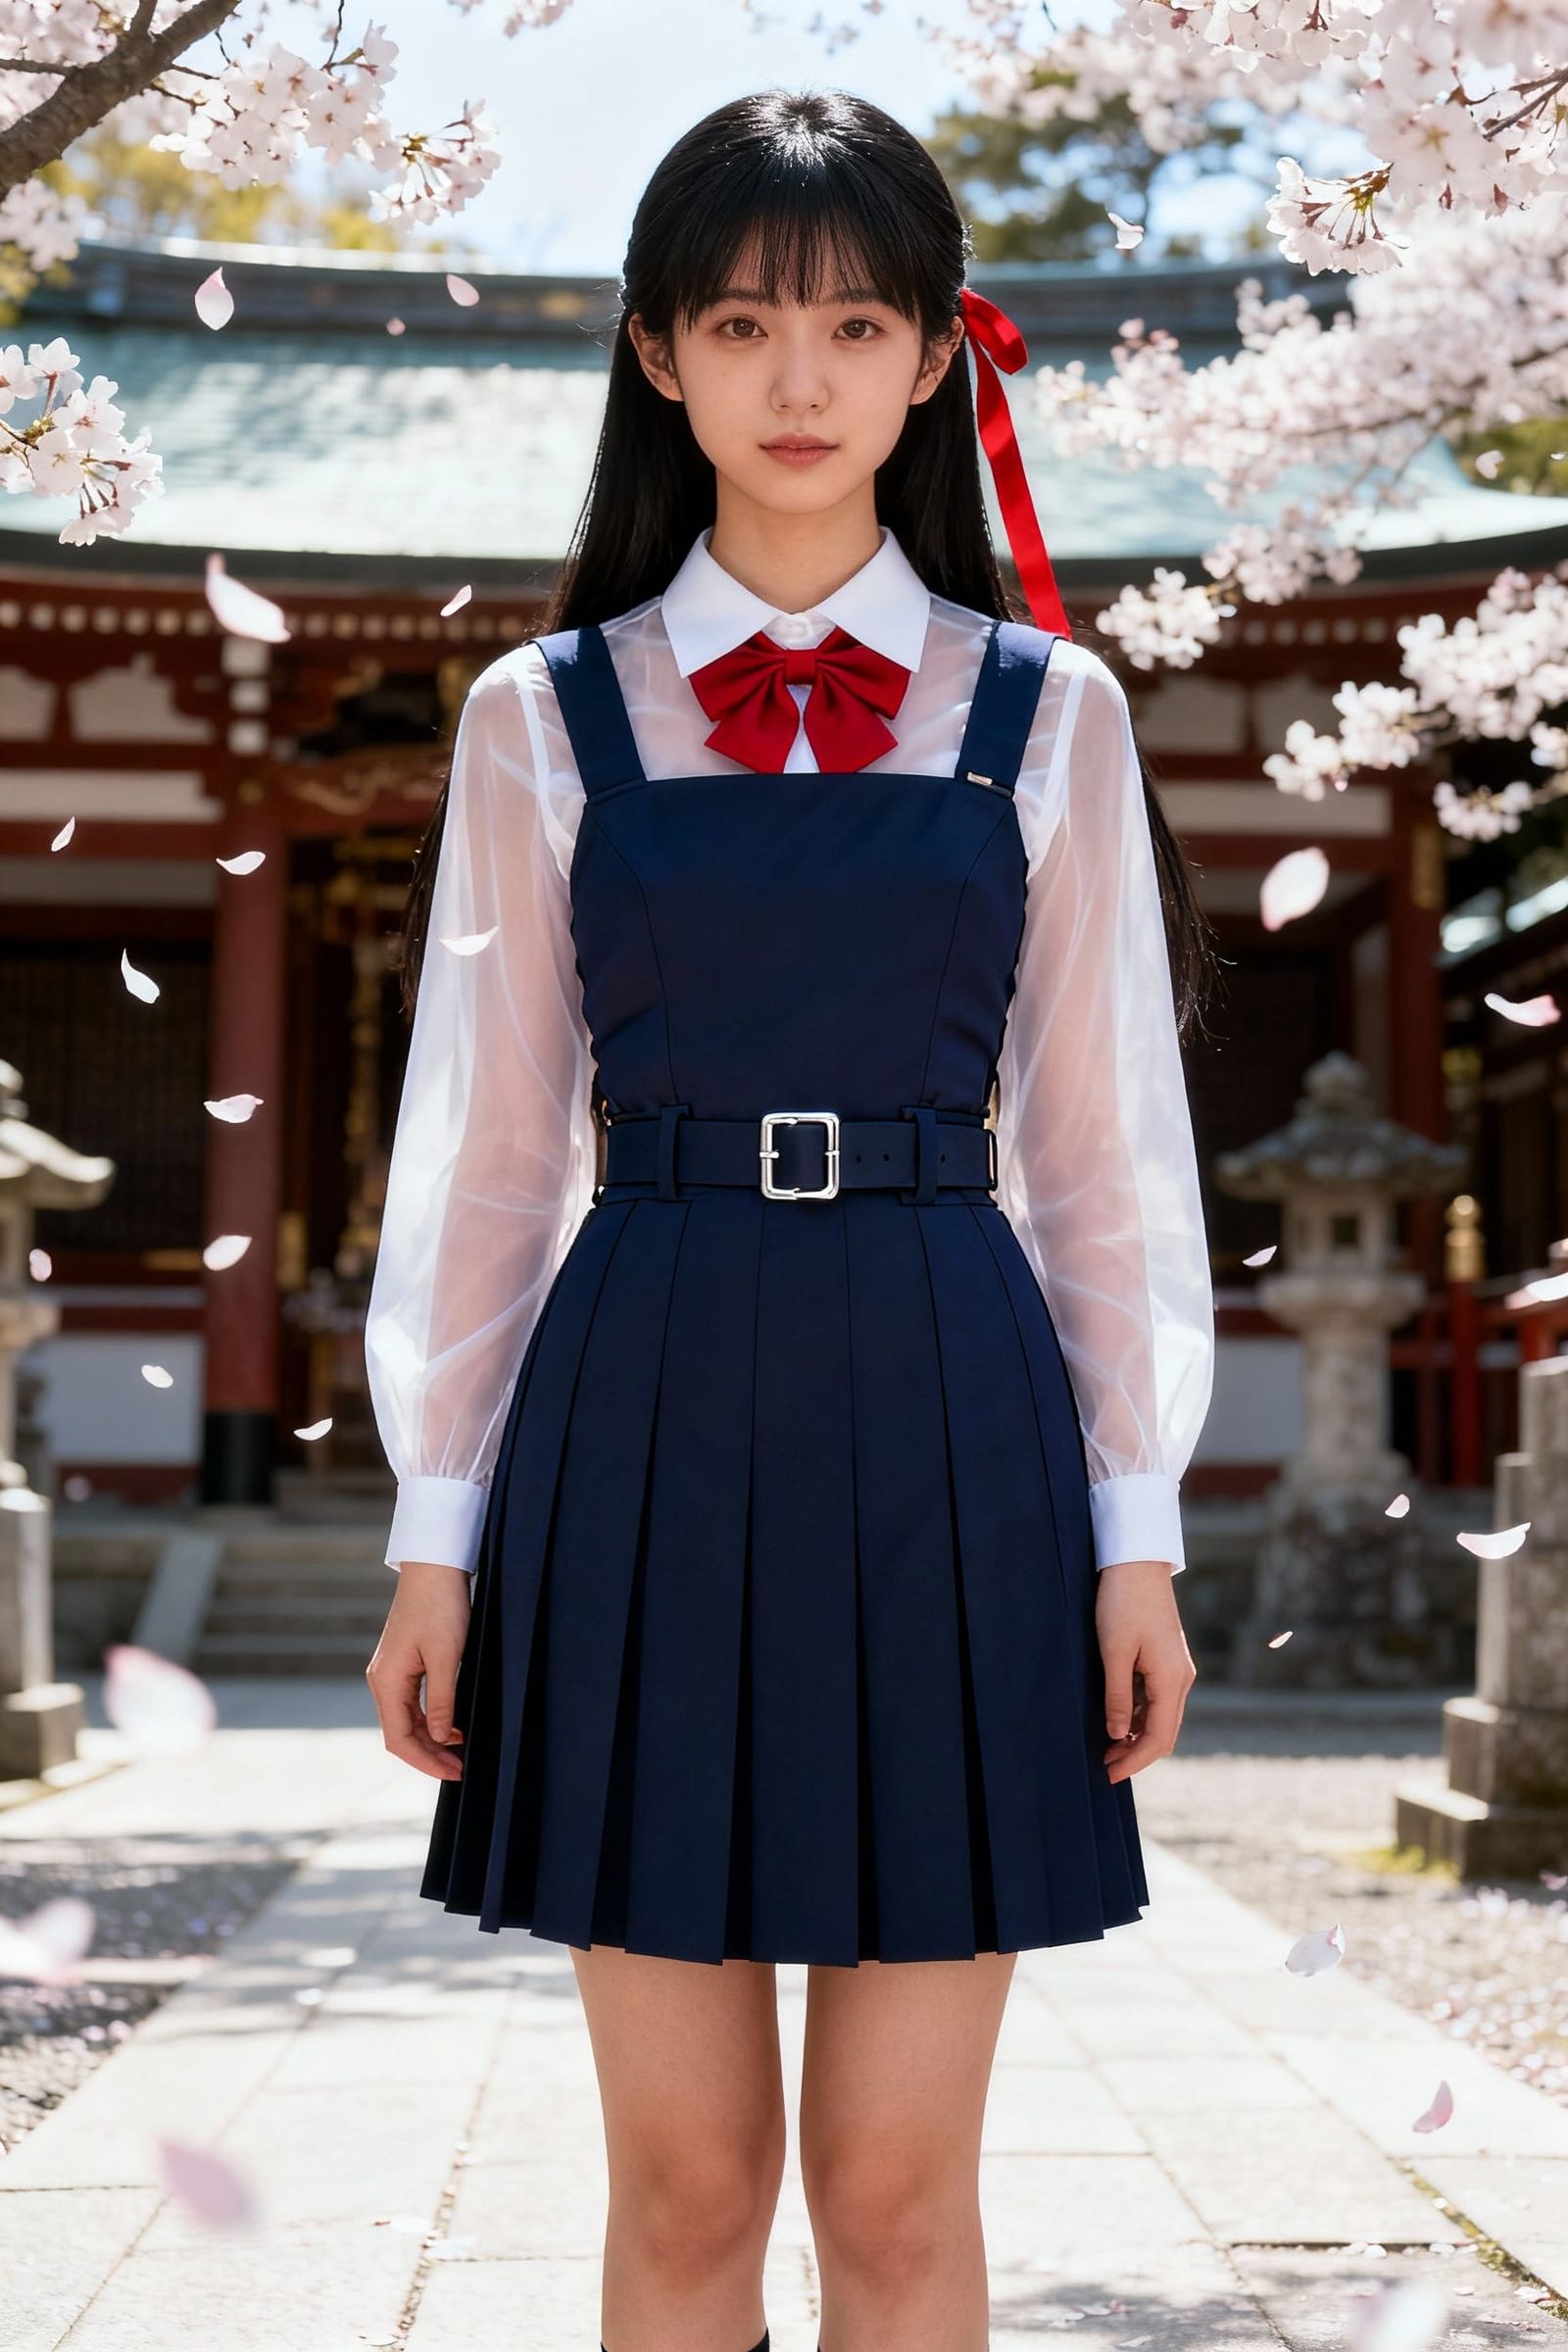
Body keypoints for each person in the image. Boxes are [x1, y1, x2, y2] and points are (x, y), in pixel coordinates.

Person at [364, 84, 1217, 2352]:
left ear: (938, 356)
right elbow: (488, 1148)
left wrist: (1132, 1526)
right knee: (685, 2193)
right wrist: (433, 1531)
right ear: (657, 357)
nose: (800, 379)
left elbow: (1101, 1153)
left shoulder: (1052, 715)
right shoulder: (537, 720)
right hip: (636, 1414)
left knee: (899, 2199)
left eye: (854, 325)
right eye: (742, 324)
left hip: (951, 1414)